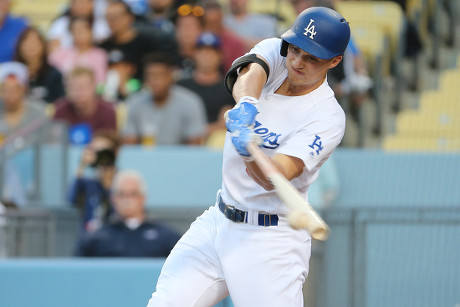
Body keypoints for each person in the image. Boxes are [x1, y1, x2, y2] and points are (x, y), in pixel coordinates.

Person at [147, 6, 349, 306]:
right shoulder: (278, 52)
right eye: (296, 50)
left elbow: (273, 178)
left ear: (334, 61)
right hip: (219, 219)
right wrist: (247, 105)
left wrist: (248, 152)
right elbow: (251, 73)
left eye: (311, 58)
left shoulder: (327, 117)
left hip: (269, 241)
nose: (297, 61)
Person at [75, 169, 181, 257]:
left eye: (133, 194)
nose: (127, 200)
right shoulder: (97, 237)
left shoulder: (166, 237)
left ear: (143, 198)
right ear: (113, 198)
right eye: (121, 194)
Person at [122, 52, 207, 146]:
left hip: (180, 159)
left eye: (160, 75)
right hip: (145, 159)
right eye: (150, 75)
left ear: (170, 76)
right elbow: (129, 147)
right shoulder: (134, 103)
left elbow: (194, 147)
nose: (155, 80)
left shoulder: (190, 102)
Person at [99, 0, 178, 81]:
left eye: (116, 17)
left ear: (130, 17)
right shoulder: (102, 48)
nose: (113, 21)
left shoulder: (148, 43)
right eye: (109, 17)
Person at [177, 32, 234, 139]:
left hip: (213, 145)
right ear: (194, 54)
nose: (207, 56)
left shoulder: (228, 88)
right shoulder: (182, 85)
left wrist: (197, 132)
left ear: (220, 55)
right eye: (202, 52)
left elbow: (225, 123)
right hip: (182, 142)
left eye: (212, 52)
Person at [68, 130, 120, 234]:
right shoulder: (89, 181)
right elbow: (71, 200)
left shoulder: (122, 180)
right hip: (89, 238)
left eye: (104, 151)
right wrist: (82, 166)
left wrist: (108, 186)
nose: (101, 157)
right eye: (96, 151)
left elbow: (117, 214)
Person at [53, 66, 116, 144]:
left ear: (94, 86)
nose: (79, 93)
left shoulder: (108, 112)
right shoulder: (60, 111)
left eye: (84, 87)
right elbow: (54, 144)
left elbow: (110, 146)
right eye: (74, 87)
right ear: (66, 89)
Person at [49, 17, 108, 87]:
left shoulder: (100, 55)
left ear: (91, 32)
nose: (77, 34)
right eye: (74, 31)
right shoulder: (60, 54)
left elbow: (100, 81)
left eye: (81, 30)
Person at [14, 27, 65, 104]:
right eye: (27, 42)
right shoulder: (11, 73)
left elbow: (60, 104)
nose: (31, 46)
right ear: (20, 46)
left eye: (35, 42)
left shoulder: (54, 75)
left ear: (43, 45)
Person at [0, 62, 47, 139]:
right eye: (5, 90)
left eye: (14, 90)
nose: (9, 95)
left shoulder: (38, 111)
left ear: (23, 89)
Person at [201, 0, 247, 72]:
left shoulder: (233, 43)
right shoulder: (196, 39)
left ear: (221, 18)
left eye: (215, 22)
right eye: (208, 23)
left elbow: (239, 71)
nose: (212, 27)